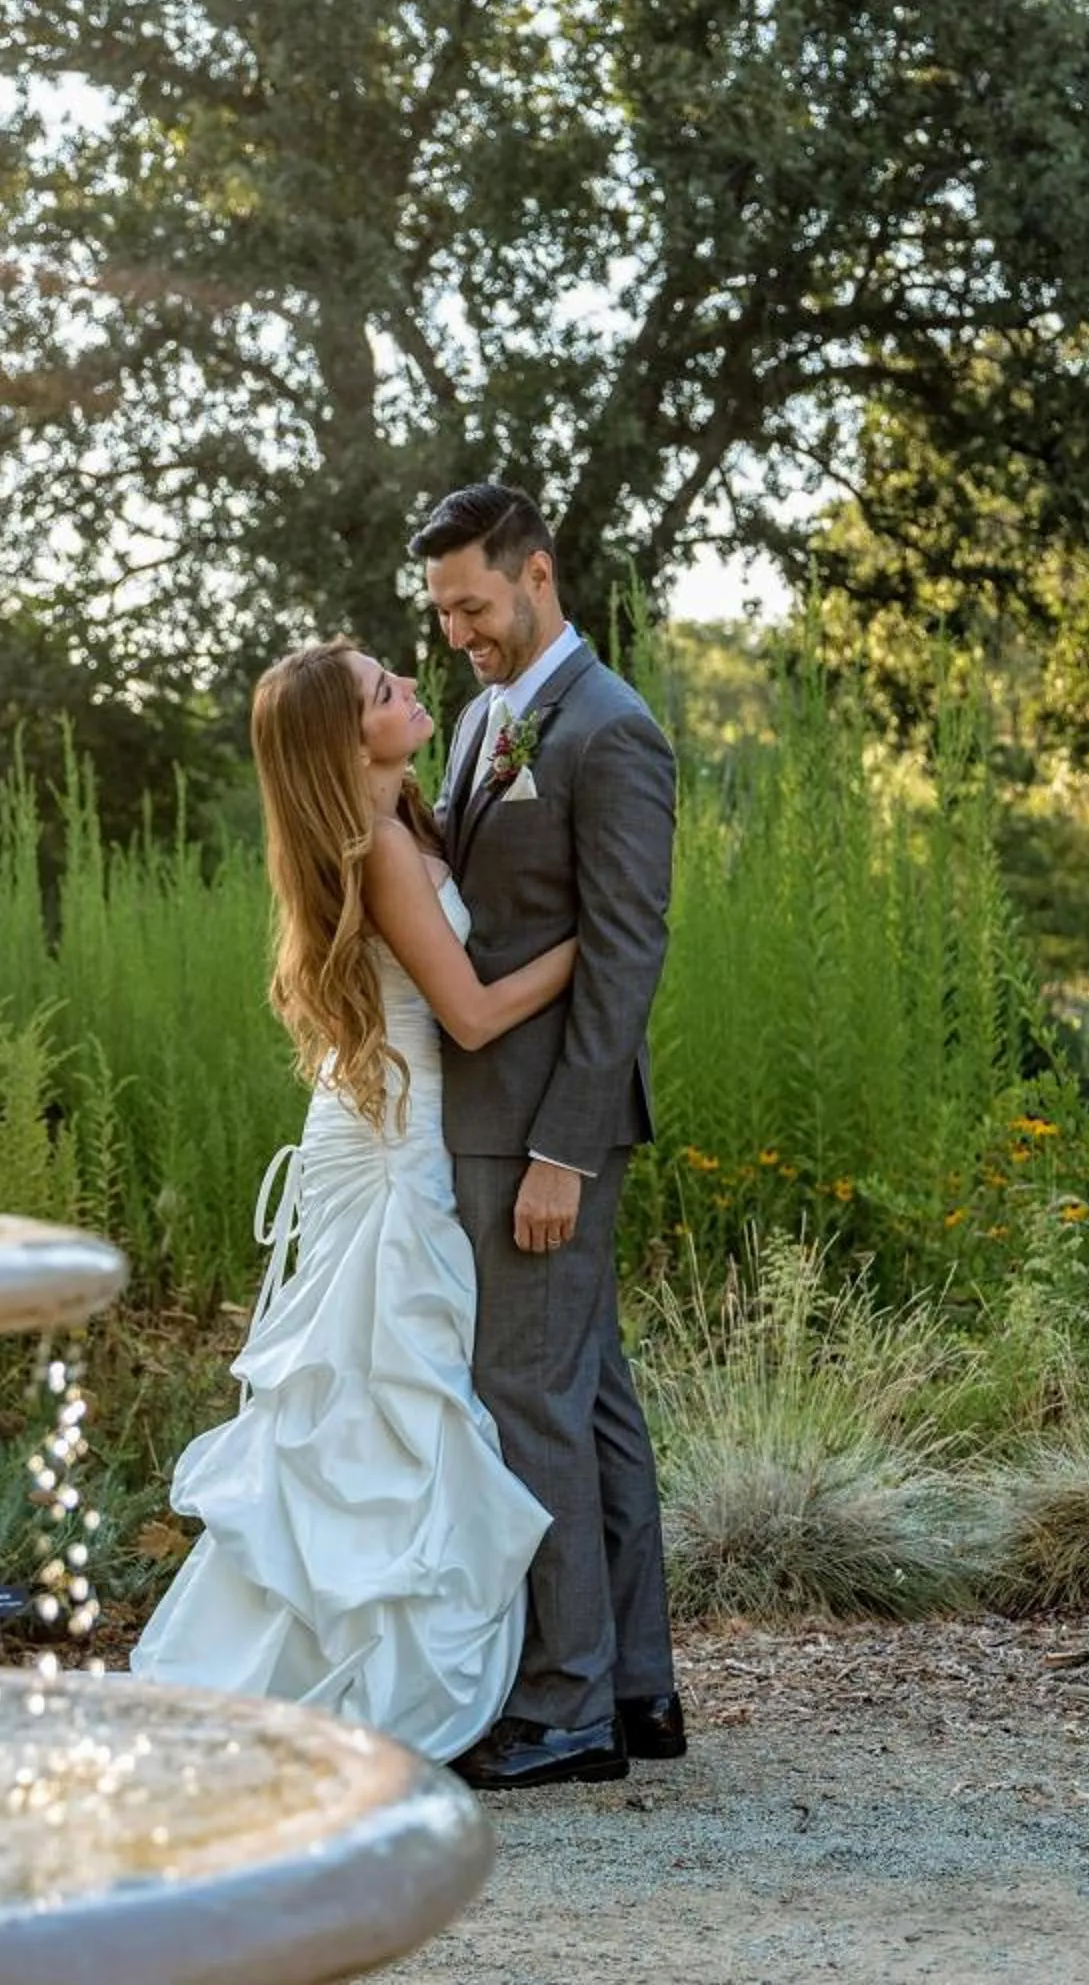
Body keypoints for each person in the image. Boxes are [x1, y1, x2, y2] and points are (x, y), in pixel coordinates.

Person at [128, 638, 562, 1763]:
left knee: (380, 1397)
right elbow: (467, 1015)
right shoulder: (375, 854)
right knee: (367, 1400)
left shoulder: (409, 825)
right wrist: (594, 946)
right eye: (385, 691)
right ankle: (345, 1674)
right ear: (345, 738)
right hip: (386, 1143)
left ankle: (354, 1651)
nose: (412, 687)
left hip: (382, 1120)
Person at [414, 482, 682, 1792]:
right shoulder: (485, 719)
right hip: (489, 1114)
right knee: (590, 1402)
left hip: (539, 1131)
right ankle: (636, 1687)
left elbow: (624, 960)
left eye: (473, 602)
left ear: (536, 571)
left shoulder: (610, 731)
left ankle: (563, 1706)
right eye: (443, 610)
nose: (459, 629)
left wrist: (564, 1152)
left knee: (528, 1401)